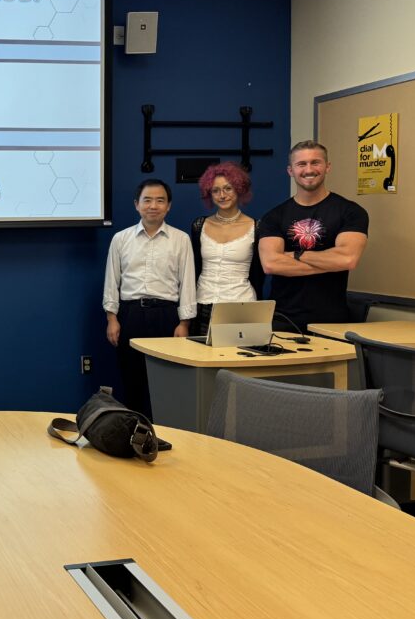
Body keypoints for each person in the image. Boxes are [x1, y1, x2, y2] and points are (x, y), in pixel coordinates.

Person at [103, 179, 196, 419]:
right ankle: (135, 436)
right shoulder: (121, 239)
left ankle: (165, 436)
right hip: (130, 315)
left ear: (168, 206)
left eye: (160, 200)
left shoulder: (181, 239)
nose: (153, 205)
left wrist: (184, 323)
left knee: (167, 382)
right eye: (147, 200)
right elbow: (112, 280)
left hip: (167, 317)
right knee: (132, 381)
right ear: (137, 204)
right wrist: (112, 318)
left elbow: (187, 282)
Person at [258, 140, 369, 333]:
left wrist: (296, 255)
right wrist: (329, 262)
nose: (309, 169)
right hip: (283, 321)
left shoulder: (351, 212)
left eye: (315, 162)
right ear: (290, 171)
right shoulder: (273, 217)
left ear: (327, 167)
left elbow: (347, 259)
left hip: (333, 321)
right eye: (301, 164)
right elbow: (271, 264)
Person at [189, 162, 265, 336]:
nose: (222, 195)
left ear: (239, 189)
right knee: (201, 359)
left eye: (228, 188)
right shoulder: (199, 225)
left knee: (237, 359)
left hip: (241, 305)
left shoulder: (257, 227)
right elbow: (193, 268)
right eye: (215, 190)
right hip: (203, 305)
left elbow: (259, 274)